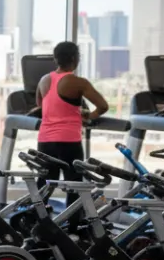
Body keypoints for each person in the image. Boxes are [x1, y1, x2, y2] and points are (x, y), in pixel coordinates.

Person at [34, 41, 109, 200]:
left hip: (45, 140)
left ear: (55, 59)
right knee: (73, 184)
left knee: (44, 183)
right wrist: (88, 116)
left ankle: (35, 219)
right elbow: (103, 106)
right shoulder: (78, 82)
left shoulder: (43, 80)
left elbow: (41, 105)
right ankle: (72, 224)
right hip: (68, 141)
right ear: (75, 59)